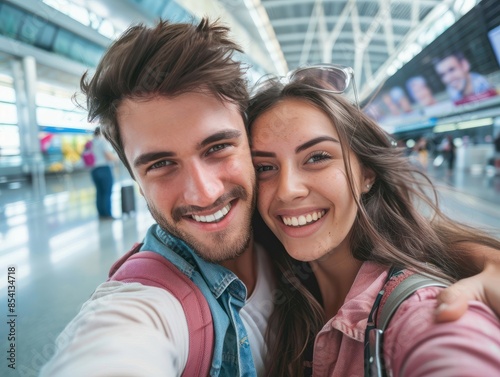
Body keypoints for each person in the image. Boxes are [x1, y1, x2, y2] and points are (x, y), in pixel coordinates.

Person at [40, 20, 500, 377]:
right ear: (132, 176)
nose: (205, 192)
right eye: (160, 164)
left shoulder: (427, 313)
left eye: (217, 147)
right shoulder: (146, 306)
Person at [247, 66, 500, 376]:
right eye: (264, 168)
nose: (288, 190)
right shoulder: (277, 293)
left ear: (367, 173)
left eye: (317, 157)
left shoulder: (423, 311)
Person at [90, 126, 117, 219]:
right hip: (104, 169)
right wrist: (117, 158)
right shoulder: (102, 141)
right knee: (107, 192)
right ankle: (107, 214)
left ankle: (101, 214)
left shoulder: (91, 142)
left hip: (94, 170)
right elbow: (108, 156)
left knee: (99, 192)